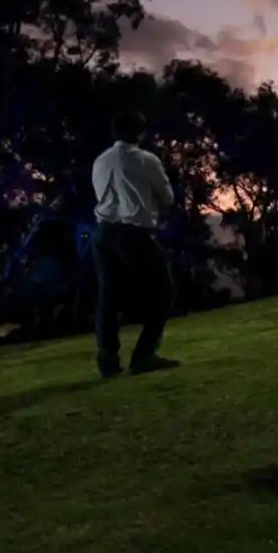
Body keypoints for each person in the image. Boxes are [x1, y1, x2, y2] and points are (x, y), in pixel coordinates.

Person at [91, 111, 178, 379]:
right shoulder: (145, 159)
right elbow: (167, 196)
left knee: (109, 298)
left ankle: (108, 361)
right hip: (133, 233)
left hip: (104, 233)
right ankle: (144, 355)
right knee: (163, 291)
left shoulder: (100, 161)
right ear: (140, 133)